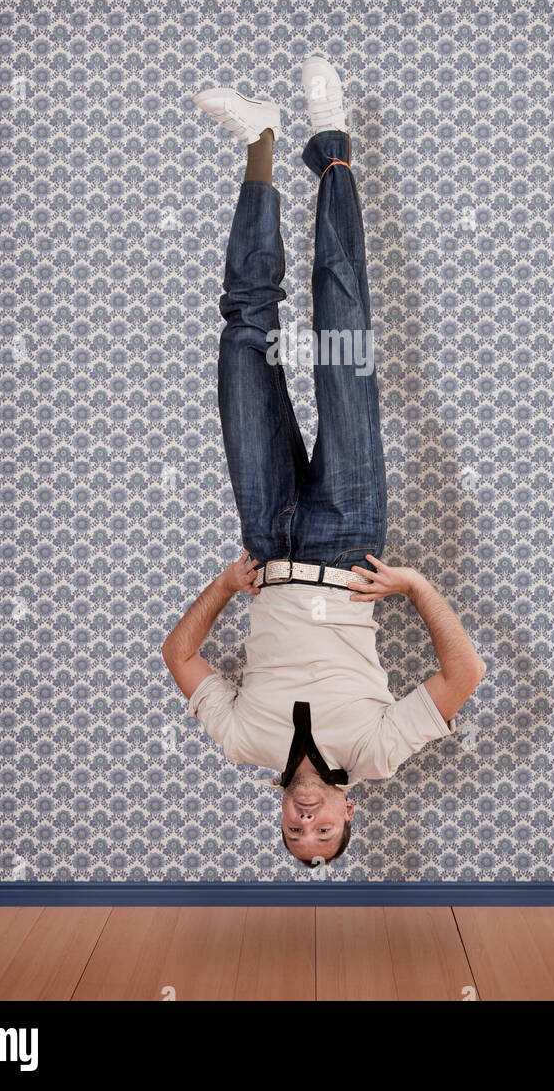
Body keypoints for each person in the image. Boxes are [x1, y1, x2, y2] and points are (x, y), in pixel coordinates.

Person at [162, 55, 486, 868]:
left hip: (268, 542)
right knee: (344, 340)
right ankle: (331, 138)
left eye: (294, 831)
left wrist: (226, 586)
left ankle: (263, 140)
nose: (308, 818)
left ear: (282, 819)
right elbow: (465, 674)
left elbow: (180, 657)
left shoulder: (244, 744)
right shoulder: (379, 753)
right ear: (349, 812)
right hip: (348, 540)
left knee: (244, 338)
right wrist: (410, 584)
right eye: (325, 830)